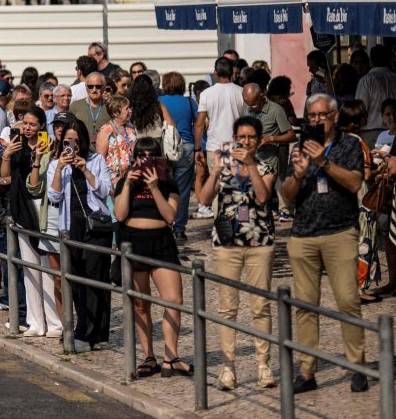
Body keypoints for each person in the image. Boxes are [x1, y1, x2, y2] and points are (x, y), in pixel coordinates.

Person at [280, 94, 369, 393]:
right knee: (305, 306)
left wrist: (324, 162)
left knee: (347, 300)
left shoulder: (349, 145)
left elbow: (355, 183)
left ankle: (357, 366)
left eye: (322, 115)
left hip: (339, 232)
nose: (317, 120)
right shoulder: (299, 146)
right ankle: (307, 372)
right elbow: (287, 194)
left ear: (335, 116)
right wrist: (298, 173)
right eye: (312, 116)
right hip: (303, 234)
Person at [195, 115, 278, 391]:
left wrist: (250, 164)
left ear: (259, 140)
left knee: (260, 306)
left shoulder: (266, 165)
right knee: (227, 308)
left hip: (259, 242)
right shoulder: (223, 166)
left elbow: (263, 196)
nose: (244, 141)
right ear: (233, 138)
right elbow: (205, 200)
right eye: (240, 137)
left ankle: (263, 365)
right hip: (227, 243)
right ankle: (228, 367)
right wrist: (216, 171)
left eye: (250, 137)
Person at [113, 136, 188, 378]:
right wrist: (126, 184)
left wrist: (155, 187)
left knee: (173, 299)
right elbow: (120, 214)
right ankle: (149, 356)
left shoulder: (168, 183)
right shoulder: (127, 181)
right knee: (141, 303)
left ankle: (171, 356)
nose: (145, 161)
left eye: (151, 156)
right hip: (134, 242)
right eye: (141, 156)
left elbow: (170, 217)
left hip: (162, 243)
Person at [0, 106, 62, 337]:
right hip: (23, 205)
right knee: (30, 266)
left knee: (47, 266)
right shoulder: (18, 146)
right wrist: (6, 154)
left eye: (33, 124)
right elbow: (5, 176)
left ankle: (54, 322)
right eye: (25, 123)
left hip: (45, 207)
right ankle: (35, 321)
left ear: (42, 125)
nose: (28, 128)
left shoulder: (51, 145)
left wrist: (47, 154)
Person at [47, 117, 114, 350]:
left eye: (75, 141)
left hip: (95, 224)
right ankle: (82, 328)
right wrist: (60, 168)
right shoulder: (56, 164)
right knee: (75, 280)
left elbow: (106, 190)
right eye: (66, 141)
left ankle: (89, 334)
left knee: (94, 280)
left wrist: (85, 169)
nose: (70, 146)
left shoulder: (96, 160)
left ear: (83, 142)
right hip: (70, 225)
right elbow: (53, 197)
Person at [196, 56, 247, 180]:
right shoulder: (241, 92)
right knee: (235, 184)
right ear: (232, 72)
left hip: (215, 146)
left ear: (215, 73)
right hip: (236, 146)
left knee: (215, 185)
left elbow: (199, 124)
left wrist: (197, 149)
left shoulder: (206, 94)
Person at [69, 70, 110, 140]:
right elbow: (70, 133)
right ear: (86, 87)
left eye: (98, 86)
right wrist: (71, 149)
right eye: (90, 86)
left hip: (105, 149)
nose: (94, 90)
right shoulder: (75, 106)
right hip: (82, 150)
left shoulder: (110, 106)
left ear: (104, 87)